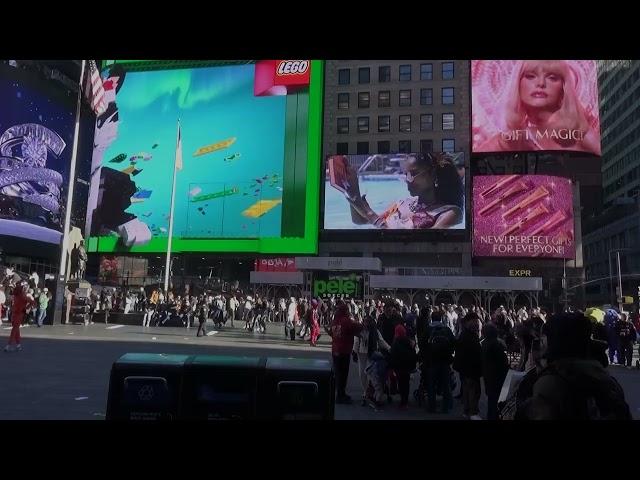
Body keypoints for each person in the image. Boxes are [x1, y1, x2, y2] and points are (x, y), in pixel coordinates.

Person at [516, 312, 632, 420]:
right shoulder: (604, 377)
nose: (541, 343)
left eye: (544, 339)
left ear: (554, 341)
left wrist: (535, 374)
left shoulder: (552, 383)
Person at [477, 60, 600, 155]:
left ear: (563, 88)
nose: (541, 83)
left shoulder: (579, 132)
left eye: (552, 77)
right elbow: (474, 161)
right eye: (530, 76)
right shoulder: (512, 138)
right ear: (517, 84)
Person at [339, 152, 464, 229]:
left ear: (432, 175)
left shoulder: (450, 213)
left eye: (413, 174)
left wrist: (367, 210)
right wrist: (350, 191)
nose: (407, 180)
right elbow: (360, 221)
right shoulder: (401, 204)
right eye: (406, 174)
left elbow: (422, 247)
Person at [326, 301, 363, 404]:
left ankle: (340, 393)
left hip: (335, 350)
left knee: (338, 373)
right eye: (347, 310)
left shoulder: (335, 321)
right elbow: (358, 327)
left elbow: (334, 334)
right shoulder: (346, 321)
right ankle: (341, 395)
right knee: (343, 373)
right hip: (344, 350)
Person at [423, 310, 456, 414]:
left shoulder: (428, 329)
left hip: (432, 361)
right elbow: (453, 342)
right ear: (441, 319)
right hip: (445, 361)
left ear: (431, 318)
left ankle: (431, 407)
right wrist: (449, 353)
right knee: (446, 384)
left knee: (431, 385)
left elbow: (422, 344)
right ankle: (445, 407)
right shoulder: (446, 329)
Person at [453, 312, 483, 420]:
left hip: (465, 368)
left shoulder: (464, 334)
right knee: (473, 390)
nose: (477, 324)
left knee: (467, 389)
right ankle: (472, 412)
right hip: (470, 368)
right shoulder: (469, 336)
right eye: (475, 321)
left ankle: (467, 411)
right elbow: (474, 352)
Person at [481, 323, 509, 420]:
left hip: (488, 374)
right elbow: (503, 362)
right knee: (496, 399)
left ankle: (491, 416)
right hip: (497, 375)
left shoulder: (484, 344)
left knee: (491, 399)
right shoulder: (496, 345)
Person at [389, 324, 417, 409]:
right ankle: (406, 400)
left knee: (401, 384)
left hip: (399, 367)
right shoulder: (409, 341)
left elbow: (393, 355)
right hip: (407, 366)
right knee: (406, 383)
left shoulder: (396, 342)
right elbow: (413, 353)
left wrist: (392, 366)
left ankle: (403, 402)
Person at [5, 284, 33, 352]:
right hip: (17, 314)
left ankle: (9, 345)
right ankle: (18, 345)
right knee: (16, 330)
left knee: (14, 329)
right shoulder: (18, 296)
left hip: (17, 314)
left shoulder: (20, 296)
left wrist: (26, 308)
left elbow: (32, 302)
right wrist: (26, 308)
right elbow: (32, 302)